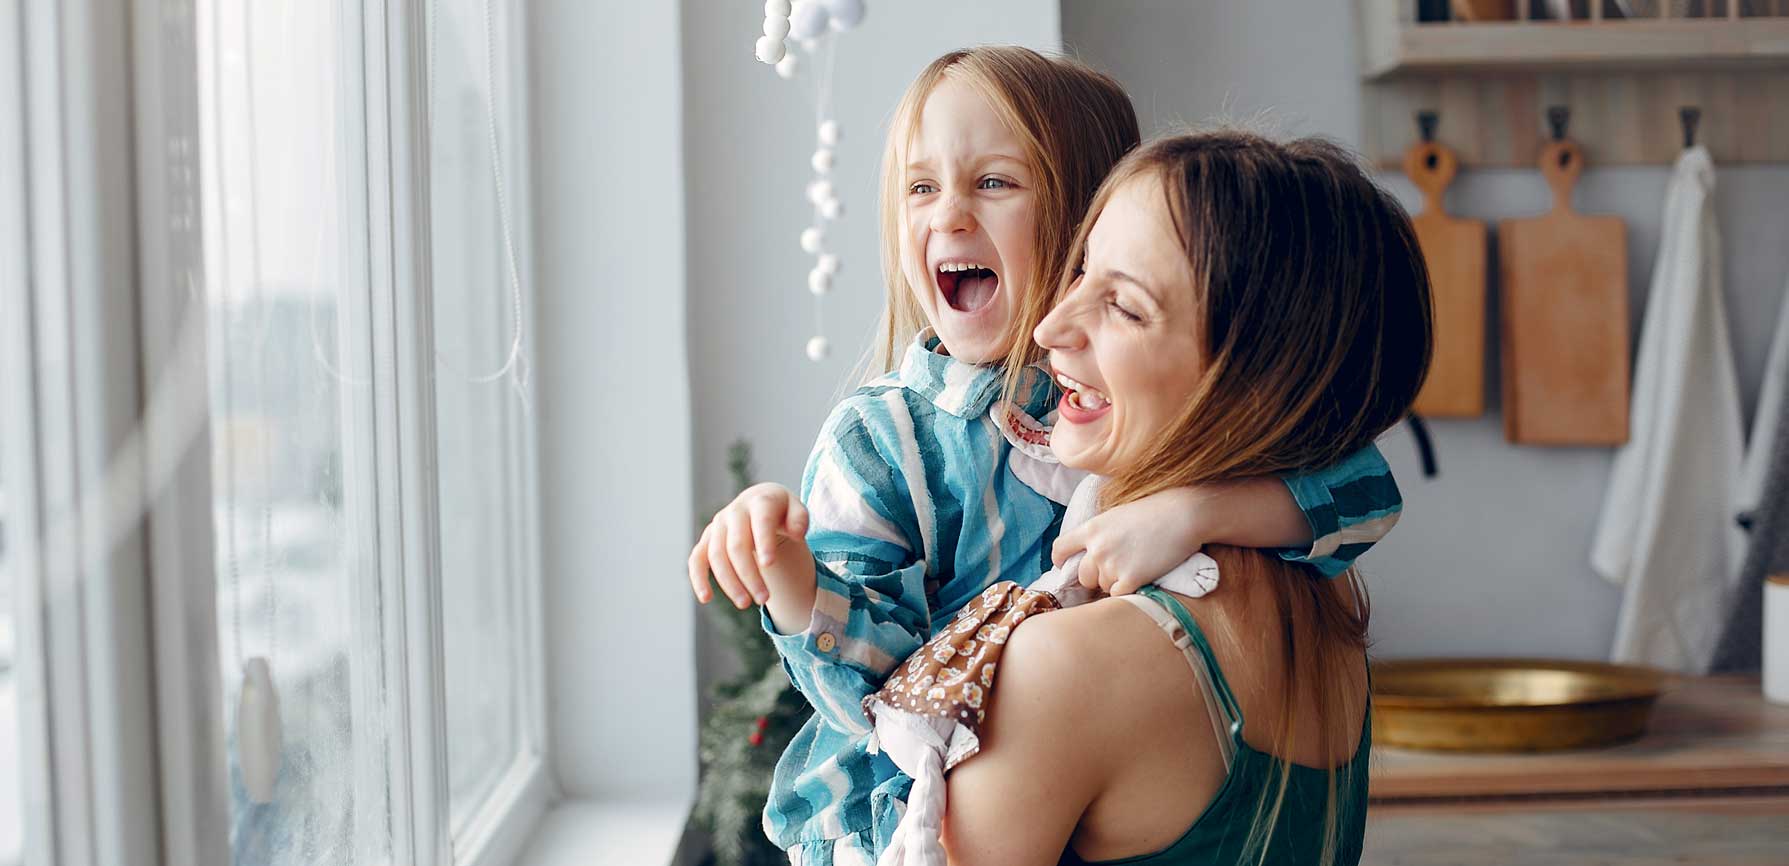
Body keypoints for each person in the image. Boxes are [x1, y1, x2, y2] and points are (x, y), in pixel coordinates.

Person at [687, 49, 1406, 865]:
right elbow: (884, 699)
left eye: (994, 183)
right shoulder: (890, 439)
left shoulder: (1127, 461)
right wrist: (795, 585)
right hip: (906, 787)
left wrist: (1196, 508)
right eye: (919, 188)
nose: (949, 215)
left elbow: (1362, 490)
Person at [938, 129, 1434, 866]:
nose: (1049, 328)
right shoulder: (1323, 613)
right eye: (1080, 272)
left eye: (1126, 308)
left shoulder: (1066, 667)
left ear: (1257, 386)